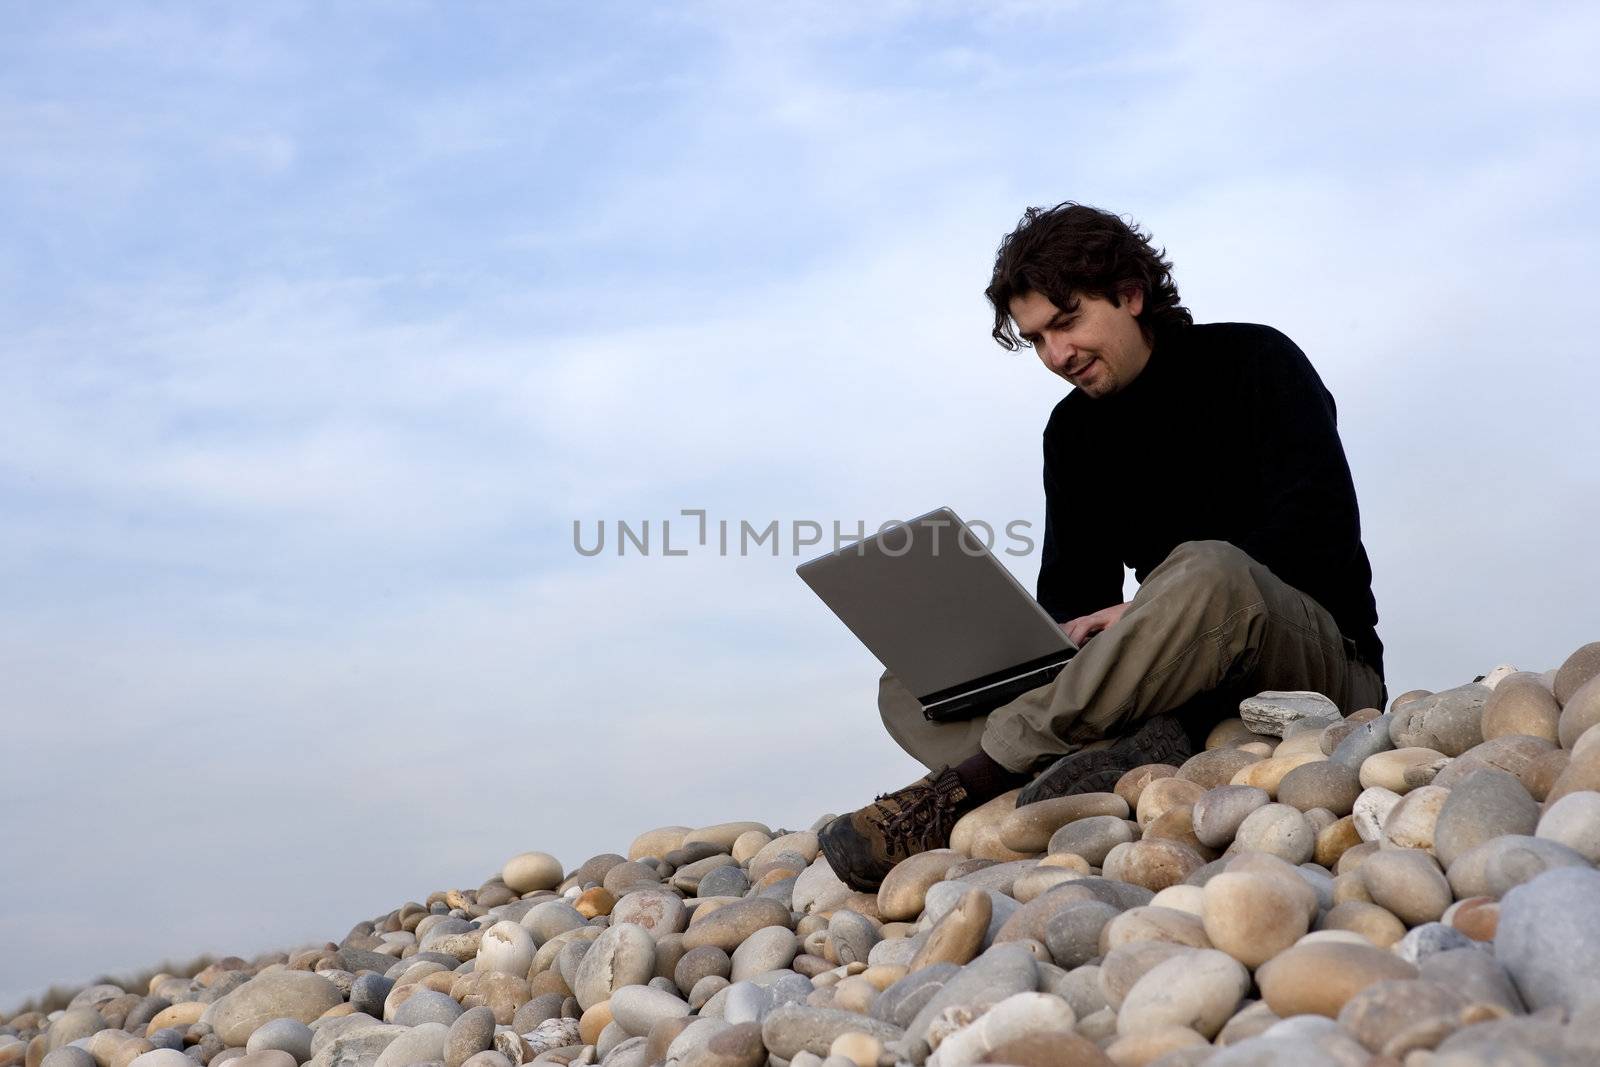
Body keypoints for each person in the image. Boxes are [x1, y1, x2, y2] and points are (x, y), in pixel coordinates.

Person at [819, 201, 1386, 892]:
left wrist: (1147, 608)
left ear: (1130, 293)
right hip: (1169, 679)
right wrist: (1062, 635)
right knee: (910, 682)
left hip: (1313, 662)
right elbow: (1075, 598)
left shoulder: (1256, 360)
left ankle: (970, 784)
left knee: (1207, 569)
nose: (1057, 355)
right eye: (1036, 339)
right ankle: (1108, 756)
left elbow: (1318, 534)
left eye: (1067, 322)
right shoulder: (1073, 433)